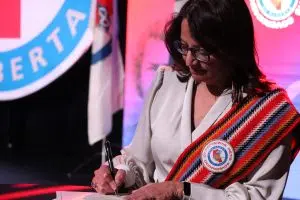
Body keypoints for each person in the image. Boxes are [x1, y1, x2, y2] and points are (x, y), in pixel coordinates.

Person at [91, 0, 300, 199]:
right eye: (184, 47)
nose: (189, 60)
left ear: (232, 47)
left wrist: (183, 191)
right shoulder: (168, 82)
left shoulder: (269, 114)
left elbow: (259, 197)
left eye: (201, 51)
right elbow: (138, 162)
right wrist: (119, 174)